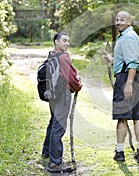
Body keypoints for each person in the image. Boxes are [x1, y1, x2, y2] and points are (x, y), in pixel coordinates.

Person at [104, 11, 139, 162]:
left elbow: (132, 64)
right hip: (134, 77)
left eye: (122, 20)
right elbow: (127, 60)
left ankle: (120, 152)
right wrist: (113, 60)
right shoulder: (127, 36)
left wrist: (128, 83)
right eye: (117, 19)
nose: (119, 22)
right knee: (137, 116)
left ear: (129, 22)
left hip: (127, 79)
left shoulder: (128, 37)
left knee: (123, 118)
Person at [41, 32, 82, 172]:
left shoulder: (52, 54)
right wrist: (78, 86)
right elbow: (71, 77)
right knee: (58, 127)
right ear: (56, 41)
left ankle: (46, 151)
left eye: (68, 41)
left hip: (52, 94)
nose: (67, 43)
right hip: (62, 94)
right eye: (64, 41)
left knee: (53, 123)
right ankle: (55, 163)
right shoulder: (63, 56)